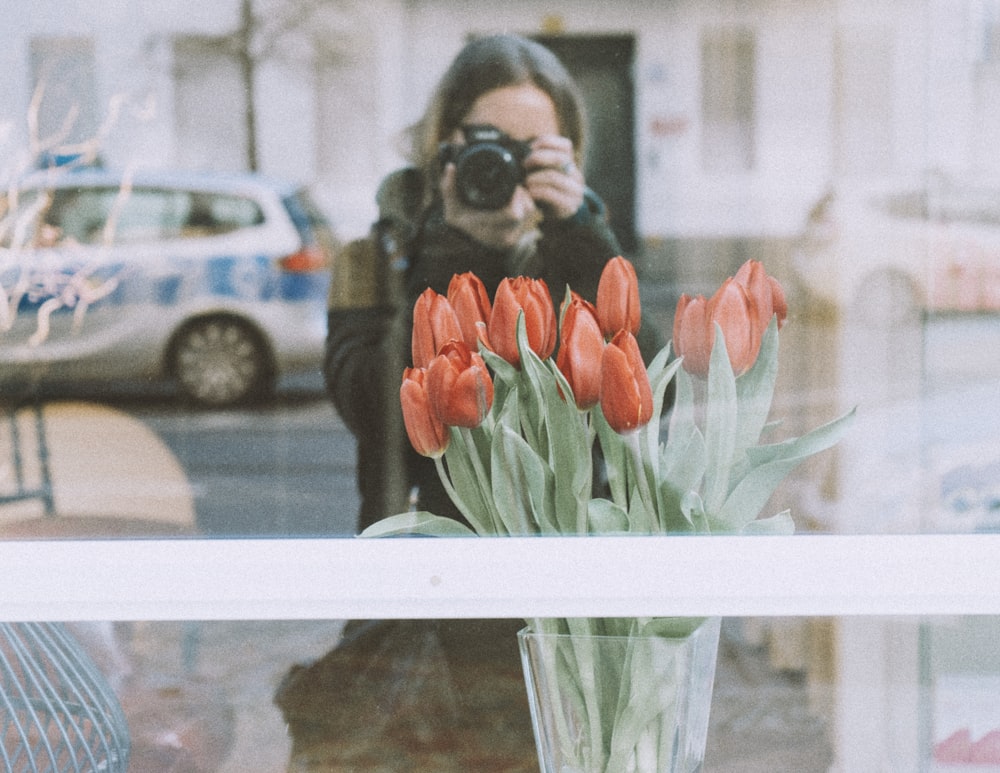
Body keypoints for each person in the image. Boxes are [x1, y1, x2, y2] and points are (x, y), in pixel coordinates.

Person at [324, 33, 627, 533]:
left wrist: (581, 237)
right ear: (444, 141)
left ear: (567, 153)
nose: (501, 164)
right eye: (488, 142)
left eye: (528, 149)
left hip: (561, 579)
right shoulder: (375, 260)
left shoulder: (577, 250)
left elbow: (650, 399)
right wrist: (454, 249)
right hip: (426, 580)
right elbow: (372, 412)